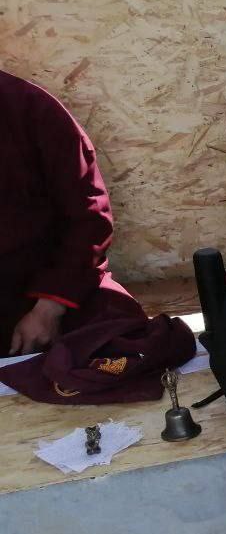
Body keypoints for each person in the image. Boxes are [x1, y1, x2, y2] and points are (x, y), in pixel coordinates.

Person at [1, 70, 145, 356]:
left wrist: (48, 308)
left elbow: (89, 217)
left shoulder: (28, 108)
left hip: (43, 291)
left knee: (126, 349)